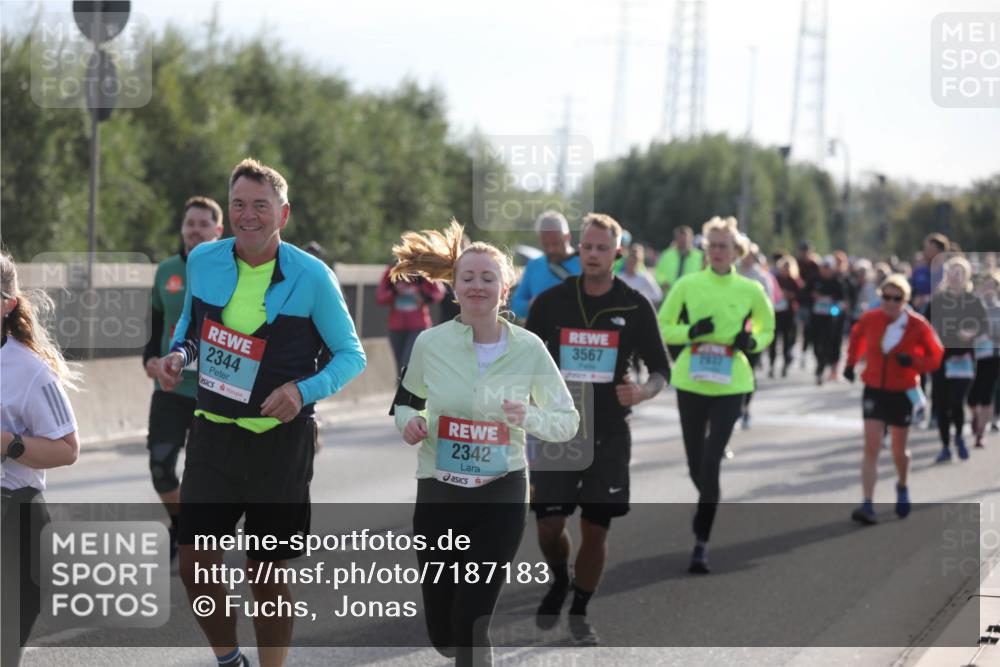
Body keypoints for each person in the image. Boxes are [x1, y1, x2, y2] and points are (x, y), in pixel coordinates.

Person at [156, 158, 366, 667]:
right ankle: (229, 659)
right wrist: (179, 357)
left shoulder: (312, 276)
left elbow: (351, 355)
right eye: (239, 205)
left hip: (279, 443)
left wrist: (302, 391)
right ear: (228, 212)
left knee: (265, 572)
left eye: (260, 206)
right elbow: (191, 328)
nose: (249, 215)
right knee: (194, 565)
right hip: (213, 434)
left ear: (283, 214)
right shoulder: (203, 260)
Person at [390, 220, 579, 667]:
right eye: (468, 278)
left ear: (505, 288)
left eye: (488, 278)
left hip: (502, 491)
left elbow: (567, 421)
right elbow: (405, 403)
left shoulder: (530, 349)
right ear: (454, 287)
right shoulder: (430, 344)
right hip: (440, 487)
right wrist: (410, 424)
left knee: (473, 619)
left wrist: (527, 416)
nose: (478, 286)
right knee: (444, 629)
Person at [527, 212, 670, 645]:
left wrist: (643, 392)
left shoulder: (634, 303)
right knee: (549, 527)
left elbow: (662, 369)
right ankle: (558, 577)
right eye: (586, 247)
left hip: (608, 430)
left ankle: (581, 611)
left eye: (601, 248)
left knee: (596, 527)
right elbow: (526, 360)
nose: (592, 254)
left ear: (617, 253)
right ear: (578, 251)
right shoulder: (551, 302)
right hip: (560, 429)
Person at [658, 216, 775, 573]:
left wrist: (751, 341)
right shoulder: (688, 284)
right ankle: (707, 502)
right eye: (713, 246)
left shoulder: (751, 290)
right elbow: (663, 326)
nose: (718, 252)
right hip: (692, 381)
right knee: (696, 464)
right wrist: (692, 330)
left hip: (732, 382)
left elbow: (768, 327)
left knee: (711, 461)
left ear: (736, 251)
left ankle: (701, 543)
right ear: (705, 250)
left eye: (725, 246)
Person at [1, 251, 81, 667]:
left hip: (14, 515)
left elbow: (67, 449)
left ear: (7, 303)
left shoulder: (30, 370)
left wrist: (9, 444)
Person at [142, 196, 224, 561]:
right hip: (170, 387)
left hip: (214, 390)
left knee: (203, 475)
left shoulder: (230, 270)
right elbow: (155, 325)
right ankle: (181, 523)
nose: (195, 230)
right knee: (160, 466)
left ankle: (197, 536)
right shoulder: (166, 271)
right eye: (189, 223)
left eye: (203, 224)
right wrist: (149, 360)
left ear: (218, 230)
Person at [842, 275, 943, 524]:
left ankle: (902, 484)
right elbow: (856, 336)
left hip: (902, 391)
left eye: (896, 298)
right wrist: (851, 363)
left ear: (905, 300)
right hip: (874, 388)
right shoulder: (871, 318)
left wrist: (914, 363)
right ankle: (867, 504)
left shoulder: (917, 325)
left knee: (899, 450)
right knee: (871, 446)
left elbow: (936, 355)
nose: (890, 303)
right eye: (886, 297)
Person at [927, 256, 988, 462]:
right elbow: (924, 326)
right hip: (941, 359)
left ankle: (960, 437)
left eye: (960, 273)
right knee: (942, 405)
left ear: (966, 276)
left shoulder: (973, 300)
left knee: (956, 401)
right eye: (952, 273)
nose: (955, 277)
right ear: (947, 276)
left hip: (963, 358)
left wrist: (971, 332)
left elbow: (983, 325)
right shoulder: (938, 300)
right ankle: (945, 446)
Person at [510, 210, 580, 320]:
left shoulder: (585, 264)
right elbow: (516, 304)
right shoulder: (534, 266)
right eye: (546, 244)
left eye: (555, 243)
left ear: (567, 237)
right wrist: (533, 305)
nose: (551, 249)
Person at [376, 263, 446, 374]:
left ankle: (408, 389)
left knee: (407, 362)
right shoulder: (391, 271)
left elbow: (439, 292)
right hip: (396, 327)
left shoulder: (422, 271)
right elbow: (380, 297)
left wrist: (423, 296)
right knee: (400, 365)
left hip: (419, 326)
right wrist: (395, 291)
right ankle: (402, 388)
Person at [736, 245, 774, 429]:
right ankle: (733, 407)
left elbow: (767, 308)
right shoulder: (732, 272)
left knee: (749, 371)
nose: (747, 258)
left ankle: (745, 406)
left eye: (751, 256)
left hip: (752, 333)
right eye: (745, 255)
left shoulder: (761, 278)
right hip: (731, 332)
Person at [968, 269, 1000, 448]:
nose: (988, 289)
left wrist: (991, 333)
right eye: (985, 285)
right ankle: (976, 416)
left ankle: (981, 432)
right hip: (972, 356)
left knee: (987, 394)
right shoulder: (972, 306)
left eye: (991, 285)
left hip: (993, 356)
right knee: (971, 397)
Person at [807, 255, 848, 385]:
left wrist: (834, 304)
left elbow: (844, 300)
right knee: (816, 344)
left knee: (830, 344)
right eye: (823, 267)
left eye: (828, 268)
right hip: (816, 318)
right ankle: (820, 364)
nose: (825, 270)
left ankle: (825, 369)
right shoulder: (814, 280)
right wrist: (813, 297)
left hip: (832, 320)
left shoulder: (838, 282)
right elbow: (803, 294)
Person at [770, 256, 803, 378]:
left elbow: (801, 295)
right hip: (776, 313)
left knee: (787, 341)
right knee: (773, 341)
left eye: (788, 268)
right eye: (784, 268)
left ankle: (785, 364)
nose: (786, 270)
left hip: (789, 315)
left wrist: (790, 295)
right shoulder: (775, 279)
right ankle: (771, 364)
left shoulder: (795, 281)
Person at [654, 225, 704, 294]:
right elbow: (658, 272)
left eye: (685, 239)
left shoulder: (700, 256)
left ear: (691, 239)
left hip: (692, 294)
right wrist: (663, 281)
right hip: (670, 293)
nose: (683, 242)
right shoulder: (667, 254)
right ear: (676, 239)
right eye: (680, 239)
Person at [618, 243, 663, 307]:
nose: (629, 265)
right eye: (628, 262)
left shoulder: (644, 277)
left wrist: (641, 298)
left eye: (632, 262)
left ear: (637, 263)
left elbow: (658, 295)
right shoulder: (620, 277)